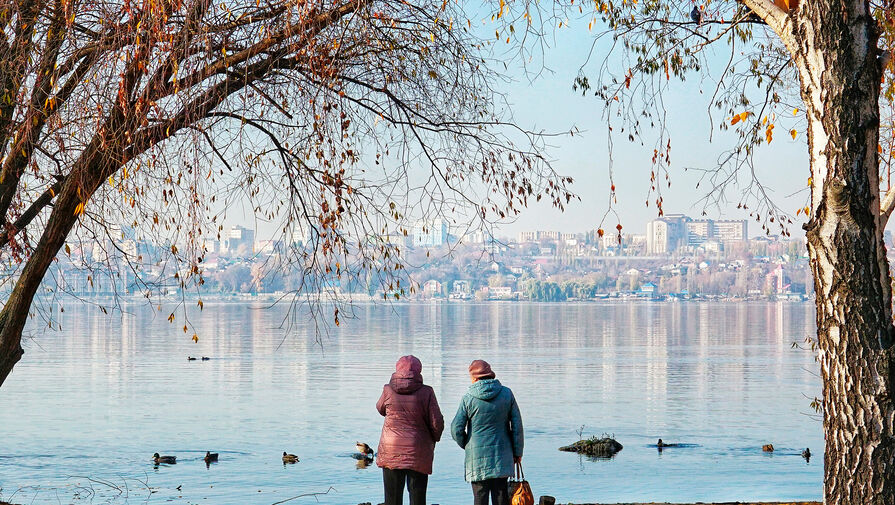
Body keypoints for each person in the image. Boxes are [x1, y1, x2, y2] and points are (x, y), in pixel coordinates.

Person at [451, 359, 524, 505]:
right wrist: (517, 452)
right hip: (502, 454)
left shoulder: (468, 398)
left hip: (477, 457)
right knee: (501, 496)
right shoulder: (507, 394)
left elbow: (456, 429)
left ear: (474, 377)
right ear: (490, 374)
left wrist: (467, 444)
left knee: (480, 497)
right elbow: (517, 427)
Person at [376, 355, 444, 505]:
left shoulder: (388, 390)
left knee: (392, 500)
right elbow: (436, 422)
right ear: (419, 371)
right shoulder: (427, 392)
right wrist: (434, 439)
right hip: (418, 449)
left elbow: (380, 409)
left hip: (391, 449)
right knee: (417, 498)